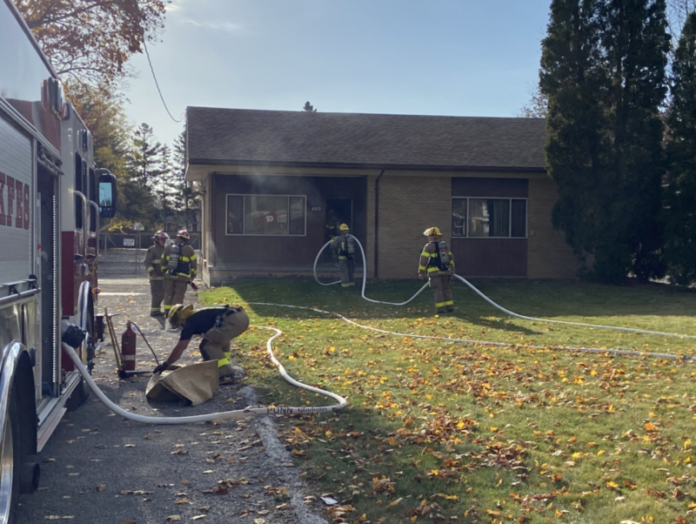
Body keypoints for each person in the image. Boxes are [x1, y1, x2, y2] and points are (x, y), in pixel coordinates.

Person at [153, 304, 250, 381]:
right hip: (241, 316)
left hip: (231, 319)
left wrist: (166, 364)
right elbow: (218, 338)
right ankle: (226, 365)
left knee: (207, 345)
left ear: (180, 318)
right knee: (217, 340)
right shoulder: (199, 315)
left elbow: (180, 347)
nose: (180, 326)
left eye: (179, 324)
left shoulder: (190, 322)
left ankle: (225, 375)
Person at [418, 227, 455, 314]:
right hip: (446, 272)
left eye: (429, 236)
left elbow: (423, 260)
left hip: (434, 273)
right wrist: (452, 272)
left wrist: (421, 272)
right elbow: (451, 259)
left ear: (432, 236)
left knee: (438, 290)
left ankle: (440, 309)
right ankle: (450, 308)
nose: (428, 237)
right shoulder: (445, 246)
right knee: (446, 290)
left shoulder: (429, 246)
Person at [161, 229, 197, 317]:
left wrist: (165, 271)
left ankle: (167, 312)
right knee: (178, 295)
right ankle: (175, 314)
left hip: (169, 275)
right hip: (182, 277)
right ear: (186, 239)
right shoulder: (189, 249)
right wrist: (193, 275)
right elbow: (194, 264)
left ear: (178, 237)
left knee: (168, 293)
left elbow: (163, 261)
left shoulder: (169, 247)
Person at [143, 230, 168, 317]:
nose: (163, 241)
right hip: (155, 277)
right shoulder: (152, 250)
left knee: (162, 294)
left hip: (163, 277)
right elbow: (147, 262)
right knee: (156, 294)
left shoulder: (165, 250)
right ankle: (154, 311)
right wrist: (152, 272)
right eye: (161, 239)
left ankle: (157, 310)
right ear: (156, 240)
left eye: (164, 240)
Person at [330, 223, 356, 287]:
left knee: (344, 272)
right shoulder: (351, 238)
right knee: (351, 271)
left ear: (341, 230)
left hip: (342, 258)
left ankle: (345, 285)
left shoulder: (339, 238)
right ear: (347, 230)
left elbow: (333, 246)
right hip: (351, 257)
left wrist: (332, 241)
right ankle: (352, 284)